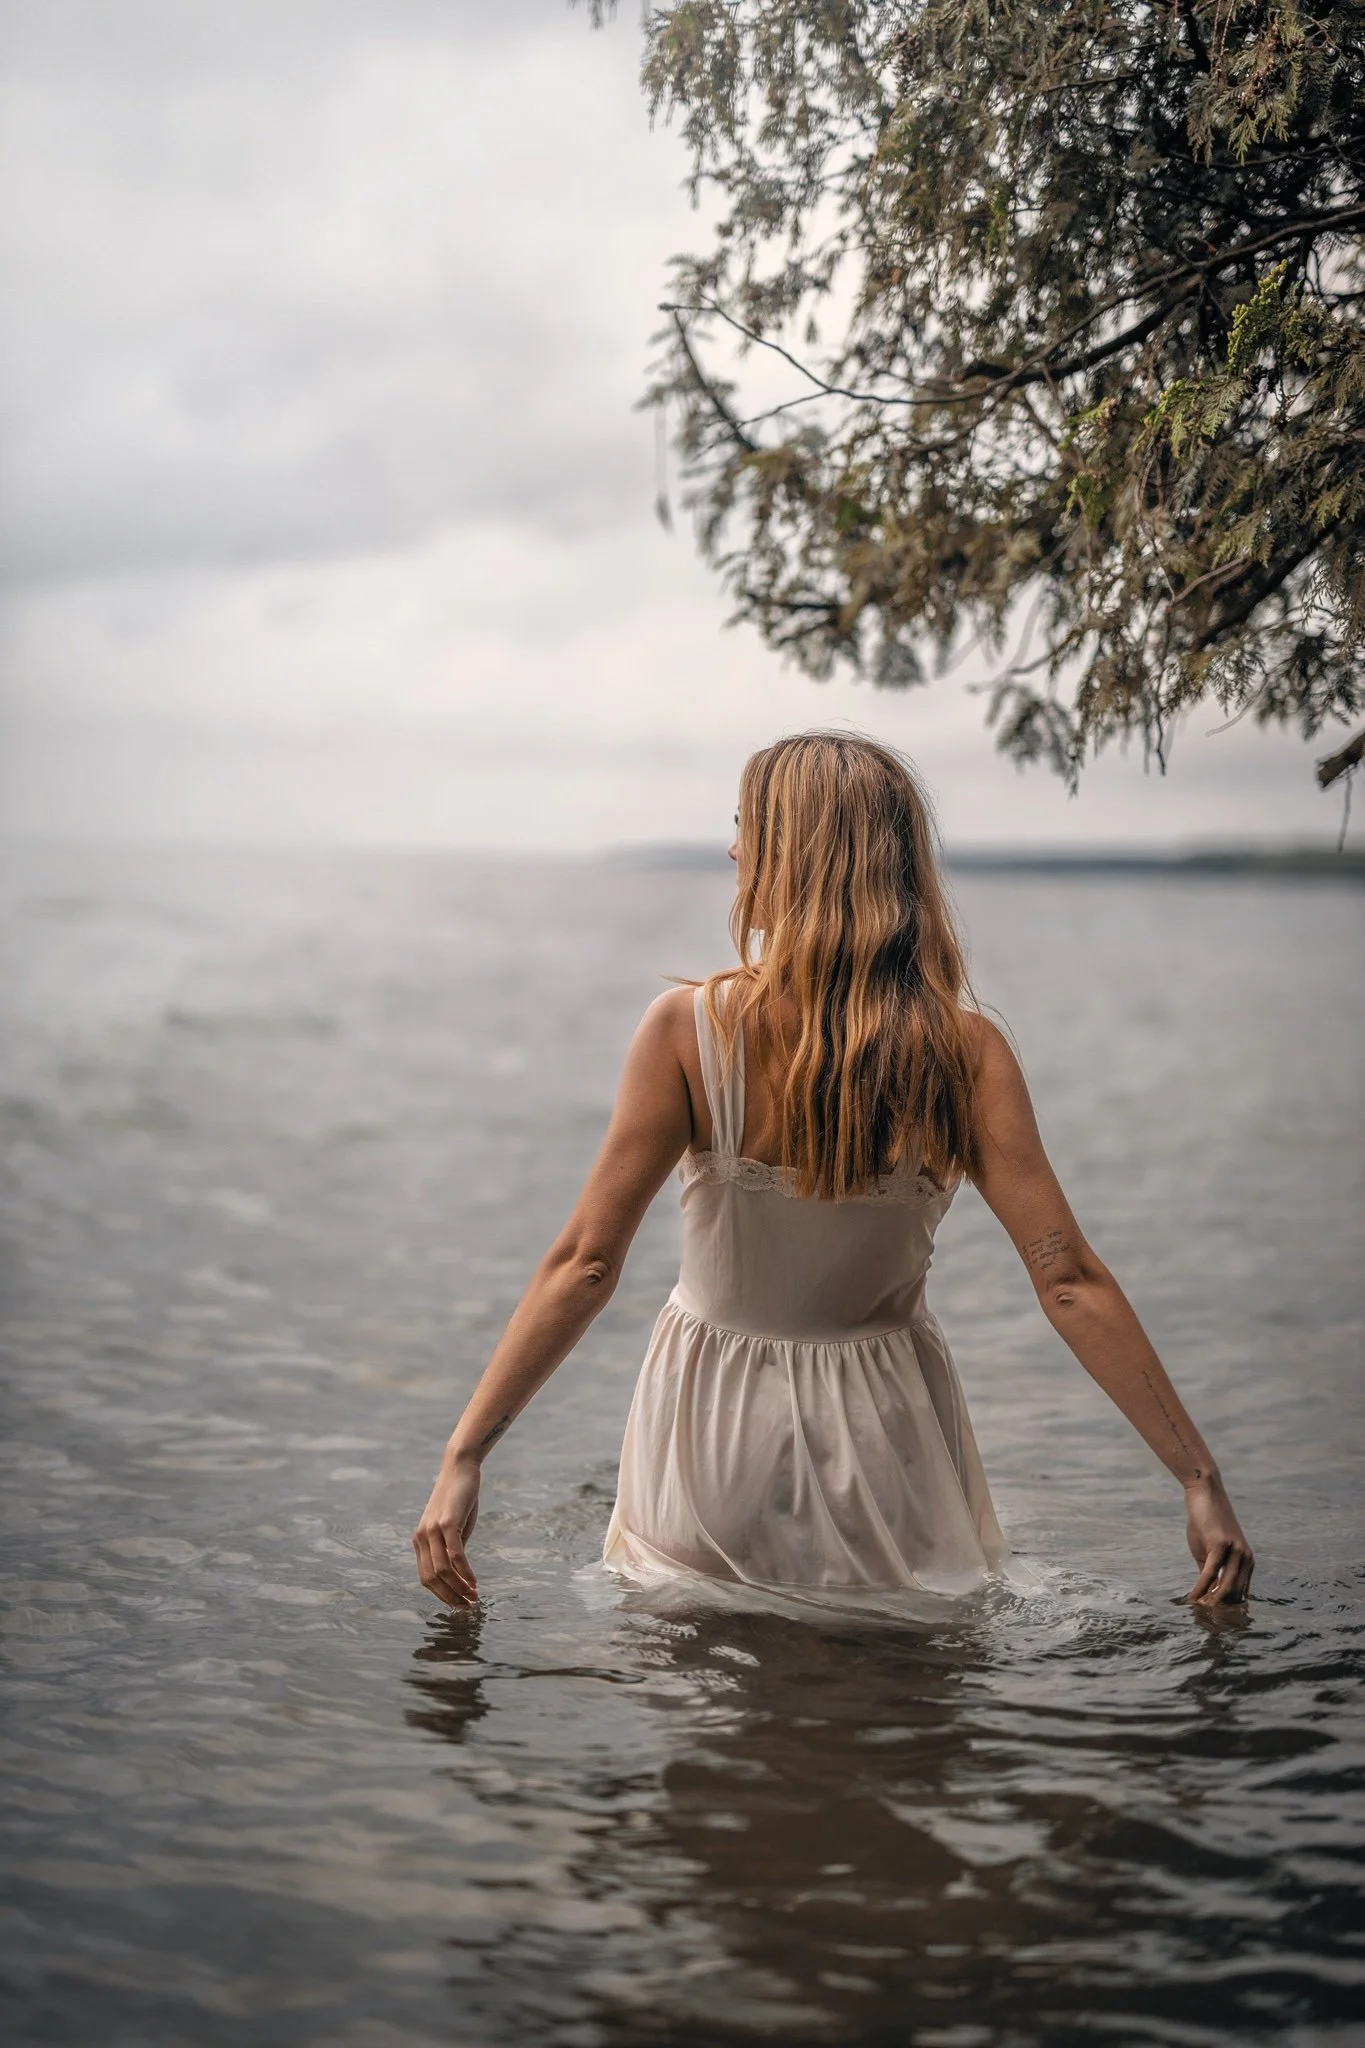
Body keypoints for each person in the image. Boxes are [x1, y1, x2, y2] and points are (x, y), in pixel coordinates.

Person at [413, 732, 1253, 1611]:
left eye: (748, 825)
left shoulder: (686, 1032)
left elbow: (586, 1262)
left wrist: (464, 1455)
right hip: (889, 1436)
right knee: (900, 1709)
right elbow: (1068, 1279)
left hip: (708, 1430)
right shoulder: (966, 1053)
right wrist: (1196, 1478)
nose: (733, 847)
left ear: (794, 852)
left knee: (704, 1699)